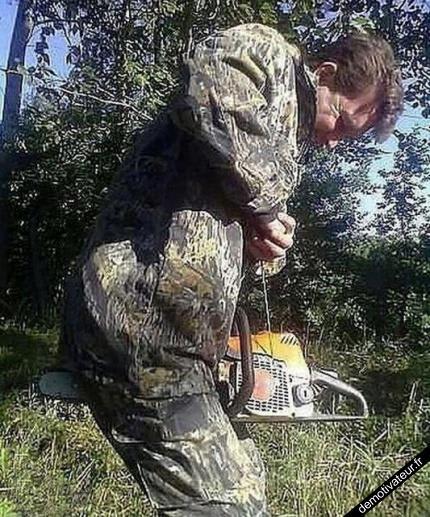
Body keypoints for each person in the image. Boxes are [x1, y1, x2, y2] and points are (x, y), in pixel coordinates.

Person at [62, 23, 403, 516]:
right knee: (224, 507)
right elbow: (211, 85)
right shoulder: (266, 51)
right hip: (140, 323)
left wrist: (263, 245)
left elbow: (217, 229)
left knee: (245, 491)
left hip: (179, 343)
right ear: (325, 74)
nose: (335, 143)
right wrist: (265, 206)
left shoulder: (278, 138)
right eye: (343, 123)